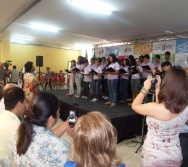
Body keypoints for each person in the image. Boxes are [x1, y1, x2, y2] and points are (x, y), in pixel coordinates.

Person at [132, 66, 188, 167]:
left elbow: (135, 105)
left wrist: (145, 88)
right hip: (174, 154)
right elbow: (162, 106)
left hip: (154, 156)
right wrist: (158, 88)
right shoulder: (185, 108)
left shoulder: (155, 108)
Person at [8, 92, 70, 166]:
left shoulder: (16, 134)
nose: (59, 114)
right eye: (58, 112)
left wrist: (66, 124)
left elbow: (44, 138)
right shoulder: (61, 148)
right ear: (51, 119)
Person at [0, 86, 25, 161]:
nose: (25, 106)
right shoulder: (17, 126)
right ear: (19, 104)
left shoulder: (2, 116)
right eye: (25, 102)